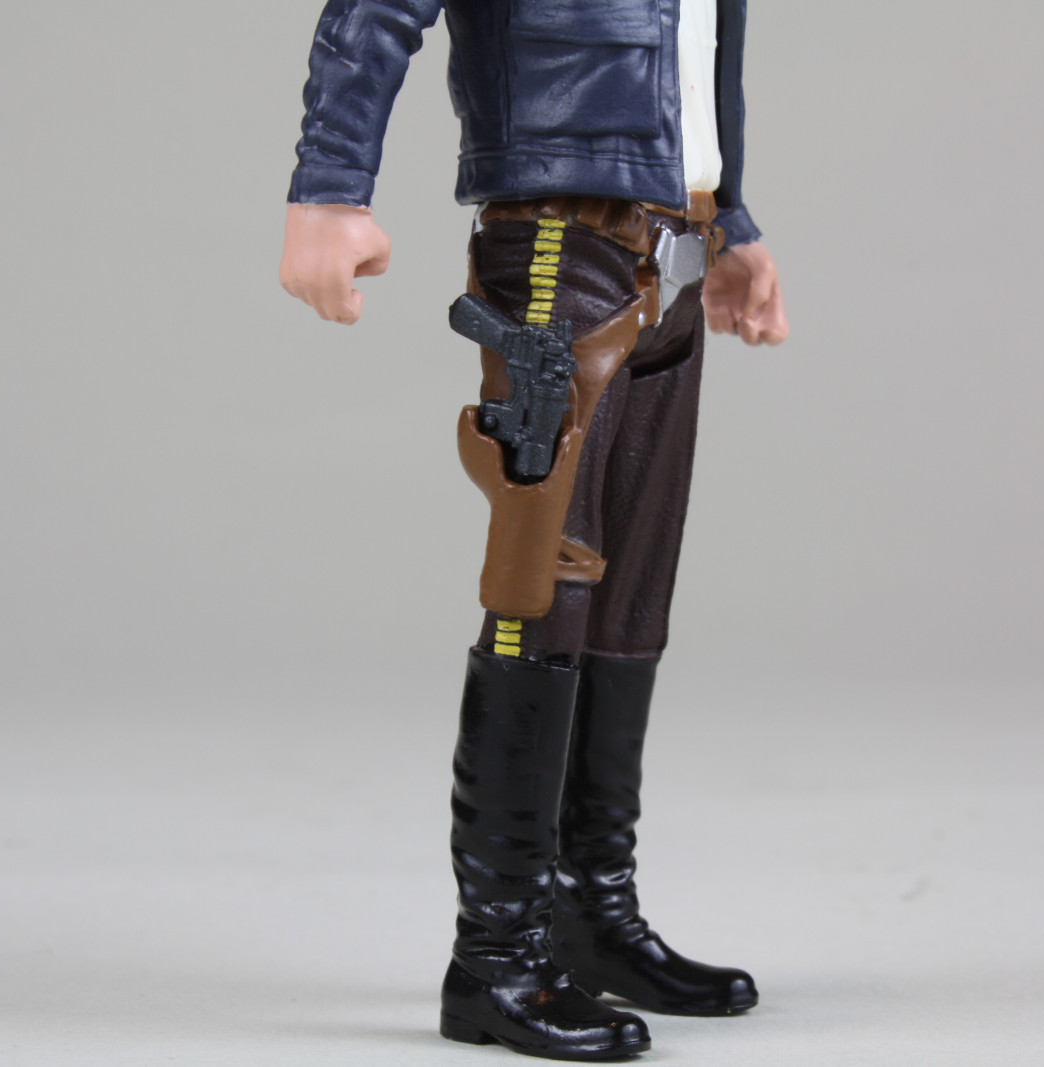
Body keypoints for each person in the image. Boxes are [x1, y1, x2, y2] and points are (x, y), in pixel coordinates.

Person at [279, 0, 788, 1059]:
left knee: (629, 590)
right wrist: (330, 186)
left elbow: (701, 45)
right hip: (565, 236)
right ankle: (498, 954)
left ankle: (593, 912)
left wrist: (730, 218)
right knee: (540, 577)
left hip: (675, 241)